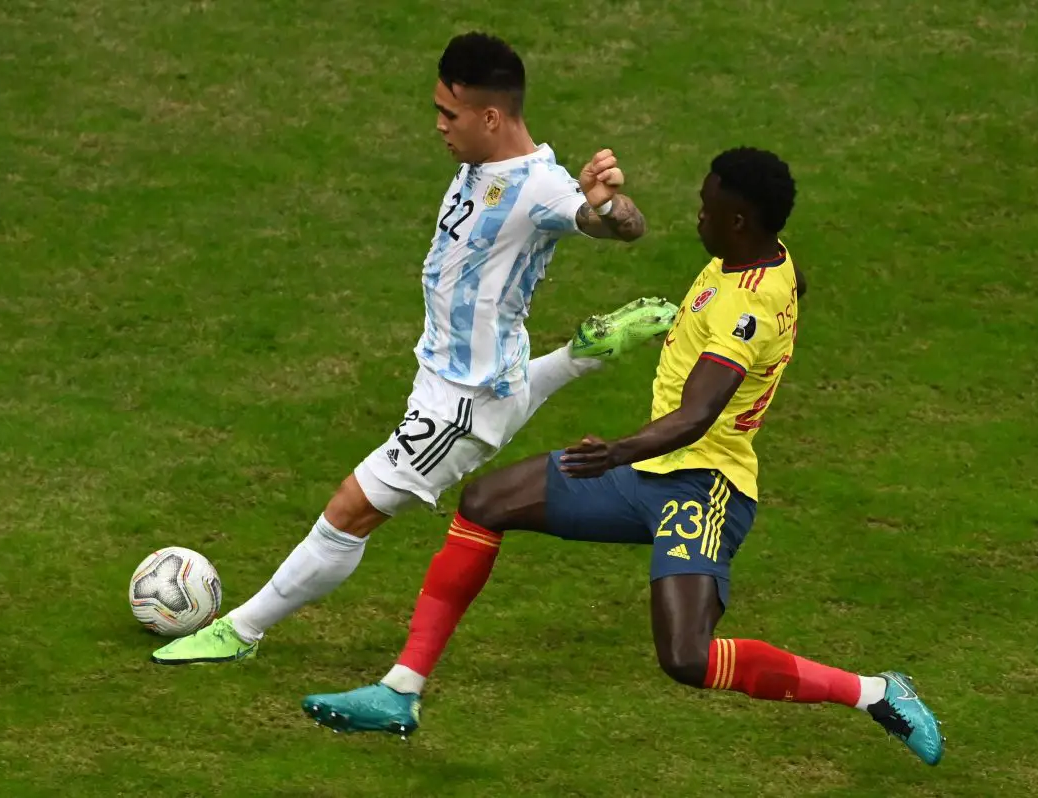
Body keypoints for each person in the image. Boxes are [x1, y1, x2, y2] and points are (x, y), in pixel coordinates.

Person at [302, 147, 946, 767]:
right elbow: (790, 280)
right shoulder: (765, 259)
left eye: (707, 207)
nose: (698, 215)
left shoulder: (742, 310)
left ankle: (877, 693)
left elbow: (697, 418)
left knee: (686, 658)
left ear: (740, 220)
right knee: (485, 502)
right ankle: (401, 690)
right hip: (648, 470)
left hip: (703, 486)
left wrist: (614, 453)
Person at [151, 32, 675, 666]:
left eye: (448, 114)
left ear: (489, 116)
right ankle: (584, 354)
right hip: (460, 376)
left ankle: (241, 631)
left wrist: (610, 204)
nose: (438, 126)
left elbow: (617, 226)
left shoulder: (540, 187)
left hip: (461, 406)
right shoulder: (484, 167)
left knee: (352, 509)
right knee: (499, 396)